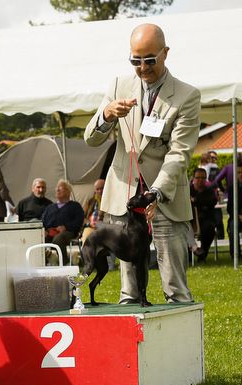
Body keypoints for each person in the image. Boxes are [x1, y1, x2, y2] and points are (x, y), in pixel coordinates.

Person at [84, 23, 199, 304]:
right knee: (129, 292)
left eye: (150, 59)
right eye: (136, 60)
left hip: (165, 199)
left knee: (176, 289)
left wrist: (155, 192)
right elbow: (90, 138)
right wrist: (106, 115)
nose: (143, 67)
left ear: (165, 53)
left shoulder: (187, 95)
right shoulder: (117, 86)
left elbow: (179, 153)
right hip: (124, 199)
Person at [41, 180, 84, 265]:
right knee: (39, 238)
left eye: (61, 188)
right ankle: (43, 262)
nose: (57, 190)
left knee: (58, 239)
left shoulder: (75, 206)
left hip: (68, 232)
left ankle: (63, 262)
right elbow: (43, 221)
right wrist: (44, 230)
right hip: (50, 232)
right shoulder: (50, 208)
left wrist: (66, 227)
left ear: (68, 192)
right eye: (57, 188)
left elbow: (79, 221)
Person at [189, 168, 218, 262]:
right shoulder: (188, 190)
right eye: (198, 178)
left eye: (203, 178)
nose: (200, 180)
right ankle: (189, 255)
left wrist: (196, 200)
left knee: (209, 229)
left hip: (205, 220)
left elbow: (212, 202)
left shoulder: (209, 191)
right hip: (190, 221)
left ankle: (203, 253)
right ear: (193, 178)